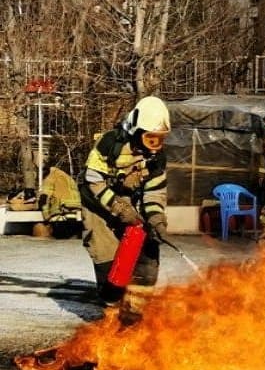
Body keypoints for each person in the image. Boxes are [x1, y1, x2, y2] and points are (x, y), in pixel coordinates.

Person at [78, 96, 170, 312]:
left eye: (160, 139)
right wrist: (119, 208)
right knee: (108, 259)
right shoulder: (110, 143)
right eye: (151, 139)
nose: (156, 146)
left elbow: (155, 191)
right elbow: (93, 180)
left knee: (148, 254)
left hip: (129, 201)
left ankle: (134, 316)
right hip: (97, 203)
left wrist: (156, 219)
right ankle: (112, 311)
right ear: (137, 130)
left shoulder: (156, 157)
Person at [37, 163, 83, 239]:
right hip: (75, 206)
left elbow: (44, 198)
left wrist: (46, 217)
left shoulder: (49, 178)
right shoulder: (66, 176)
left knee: (60, 233)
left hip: (61, 207)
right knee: (72, 230)